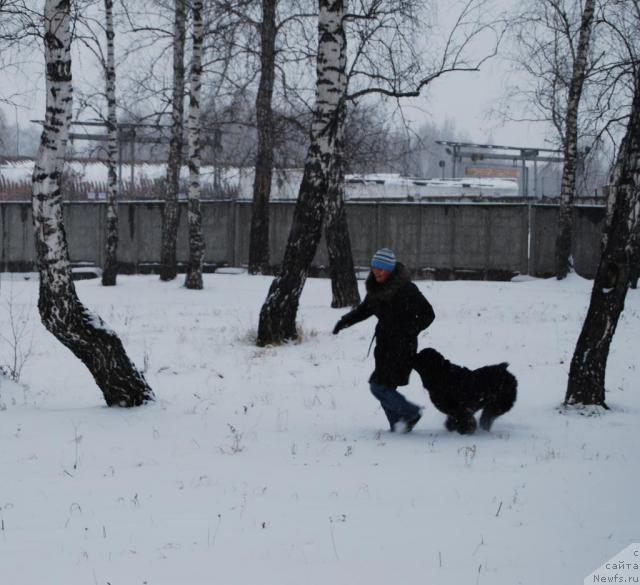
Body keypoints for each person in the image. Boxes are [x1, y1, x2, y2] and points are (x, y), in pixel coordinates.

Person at [333, 248, 435, 432]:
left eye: (381, 268)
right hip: (384, 345)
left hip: (403, 346)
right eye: (374, 268)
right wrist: (344, 321)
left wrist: (410, 329)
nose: (376, 272)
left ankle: (410, 413)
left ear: (390, 269)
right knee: (385, 387)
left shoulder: (407, 289)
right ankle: (398, 425)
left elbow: (428, 314)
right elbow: (365, 310)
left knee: (378, 387)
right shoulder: (375, 290)